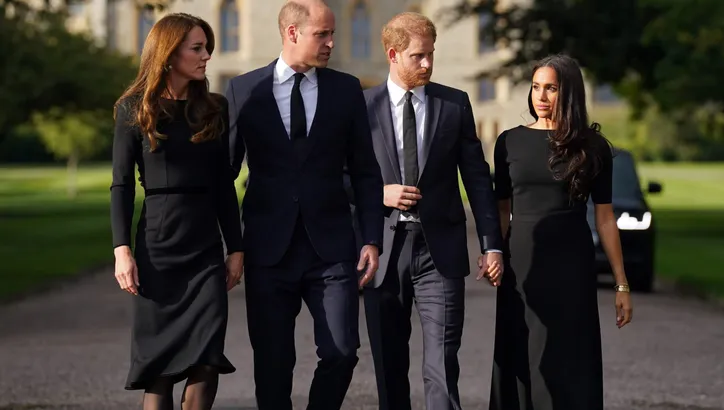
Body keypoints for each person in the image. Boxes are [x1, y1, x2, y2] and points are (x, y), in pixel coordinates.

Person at [224, 1, 384, 409]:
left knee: (342, 352)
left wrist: (371, 238)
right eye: (322, 34)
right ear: (292, 33)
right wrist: (233, 245)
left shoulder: (347, 90)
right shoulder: (245, 90)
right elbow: (224, 175)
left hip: (332, 249)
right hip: (267, 249)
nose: (332, 42)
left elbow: (366, 172)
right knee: (274, 364)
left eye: (333, 34)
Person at [361, 12, 504, 410]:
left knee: (442, 362)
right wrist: (380, 192)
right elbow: (339, 177)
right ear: (393, 54)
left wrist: (492, 244)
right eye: (417, 56)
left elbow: (477, 178)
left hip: (439, 253)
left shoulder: (454, 104)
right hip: (384, 252)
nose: (427, 64)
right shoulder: (361, 107)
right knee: (390, 366)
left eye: (431, 55)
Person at [110, 13, 243, 410]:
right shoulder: (134, 109)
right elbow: (119, 184)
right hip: (159, 248)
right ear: (169, 54)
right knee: (161, 370)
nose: (206, 57)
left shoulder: (214, 108)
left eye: (207, 48)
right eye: (197, 48)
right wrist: (121, 250)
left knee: (206, 360)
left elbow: (223, 185)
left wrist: (235, 248)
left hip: (204, 249)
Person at [489, 54, 634, 410]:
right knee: (521, 352)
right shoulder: (509, 142)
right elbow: (502, 209)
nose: (540, 96)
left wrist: (621, 284)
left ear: (568, 93)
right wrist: (493, 251)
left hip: (572, 264)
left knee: (569, 355)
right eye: (536, 87)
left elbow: (604, 218)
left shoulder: (593, 147)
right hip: (520, 262)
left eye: (551, 88)